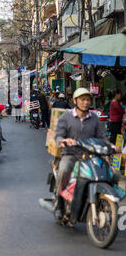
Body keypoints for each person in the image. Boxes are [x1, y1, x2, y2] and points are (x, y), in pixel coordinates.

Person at [54, 88, 104, 220]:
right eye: (83, 99)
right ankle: (59, 206)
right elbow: (58, 135)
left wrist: (111, 147)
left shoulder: (94, 118)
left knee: (111, 175)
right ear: (75, 101)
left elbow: (101, 138)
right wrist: (64, 141)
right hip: (71, 155)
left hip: (90, 157)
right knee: (64, 171)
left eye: (88, 99)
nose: (86, 102)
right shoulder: (66, 117)